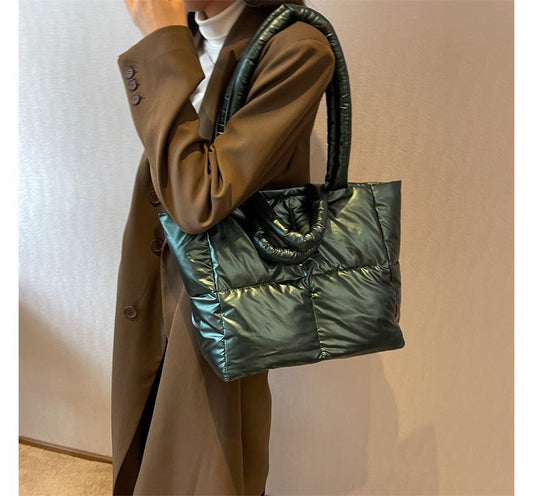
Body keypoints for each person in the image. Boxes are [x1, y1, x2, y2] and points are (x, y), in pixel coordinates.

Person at [113, 0, 335, 494]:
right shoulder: (194, 32)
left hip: (227, 291)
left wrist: (160, 41)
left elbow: (200, 199)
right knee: (147, 435)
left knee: (210, 460)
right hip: (156, 271)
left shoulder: (296, 47)